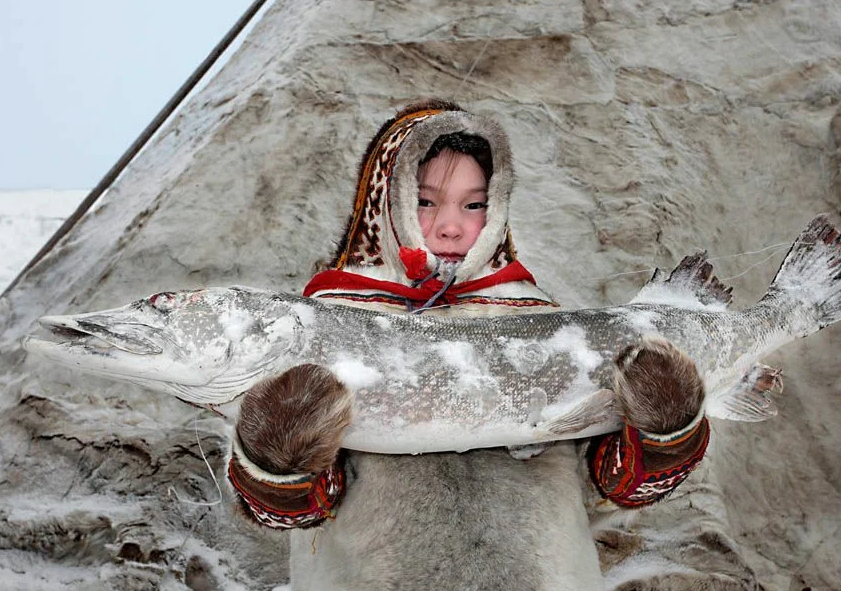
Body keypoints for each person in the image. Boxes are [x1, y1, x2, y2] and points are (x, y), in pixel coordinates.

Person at [226, 100, 710, 589]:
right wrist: (278, 456)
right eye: (426, 200)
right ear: (386, 204)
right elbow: (295, 512)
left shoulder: (543, 328)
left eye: (473, 204)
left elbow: (608, 486)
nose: (450, 225)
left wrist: (665, 433)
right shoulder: (331, 334)